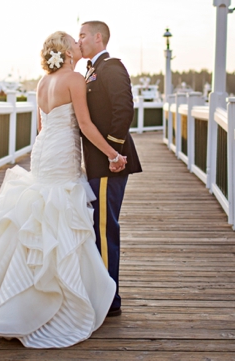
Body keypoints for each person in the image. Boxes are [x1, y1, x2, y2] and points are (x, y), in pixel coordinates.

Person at [0, 31, 127, 348]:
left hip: (43, 152)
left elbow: (42, 127)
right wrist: (112, 154)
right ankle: (48, 300)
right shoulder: (75, 80)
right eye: (74, 42)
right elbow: (86, 125)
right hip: (61, 153)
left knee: (35, 215)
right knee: (57, 216)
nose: (79, 45)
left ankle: (4, 292)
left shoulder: (41, 83)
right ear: (67, 52)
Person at [77, 20, 143, 317]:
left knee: (104, 230)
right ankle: (102, 294)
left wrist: (113, 151)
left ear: (98, 37)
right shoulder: (91, 70)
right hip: (97, 162)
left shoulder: (111, 66)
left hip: (109, 164)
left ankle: (109, 302)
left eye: (82, 35)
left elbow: (124, 108)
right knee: (98, 228)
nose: (78, 40)